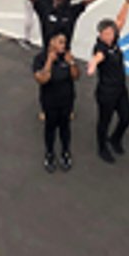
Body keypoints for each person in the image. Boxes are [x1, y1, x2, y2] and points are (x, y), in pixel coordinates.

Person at [87, 0, 129, 163]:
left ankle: (115, 139)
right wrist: (92, 65)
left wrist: (128, 1)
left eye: (110, 33)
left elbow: (120, 20)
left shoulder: (114, 40)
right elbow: (98, 57)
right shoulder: (101, 47)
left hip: (120, 88)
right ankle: (102, 147)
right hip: (106, 92)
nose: (109, 36)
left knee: (127, 117)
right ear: (100, 35)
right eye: (105, 34)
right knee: (104, 121)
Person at [34, 31, 81, 172]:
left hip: (66, 101)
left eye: (64, 42)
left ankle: (65, 152)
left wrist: (71, 63)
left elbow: (76, 76)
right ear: (51, 42)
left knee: (65, 128)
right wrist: (49, 61)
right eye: (60, 42)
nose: (63, 45)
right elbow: (41, 79)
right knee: (50, 129)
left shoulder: (66, 57)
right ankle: (49, 154)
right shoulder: (40, 58)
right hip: (50, 102)